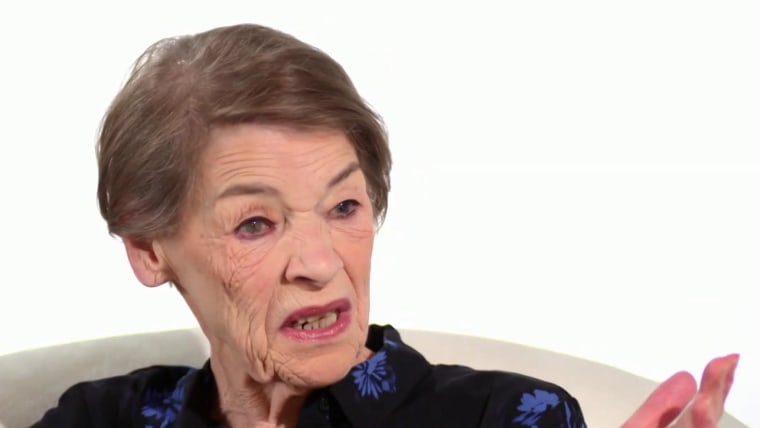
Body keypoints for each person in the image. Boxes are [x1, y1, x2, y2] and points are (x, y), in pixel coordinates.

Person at [33, 23, 737, 428]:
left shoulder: (505, 417)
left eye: (344, 207)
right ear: (148, 249)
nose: (321, 263)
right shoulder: (99, 418)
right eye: (255, 223)